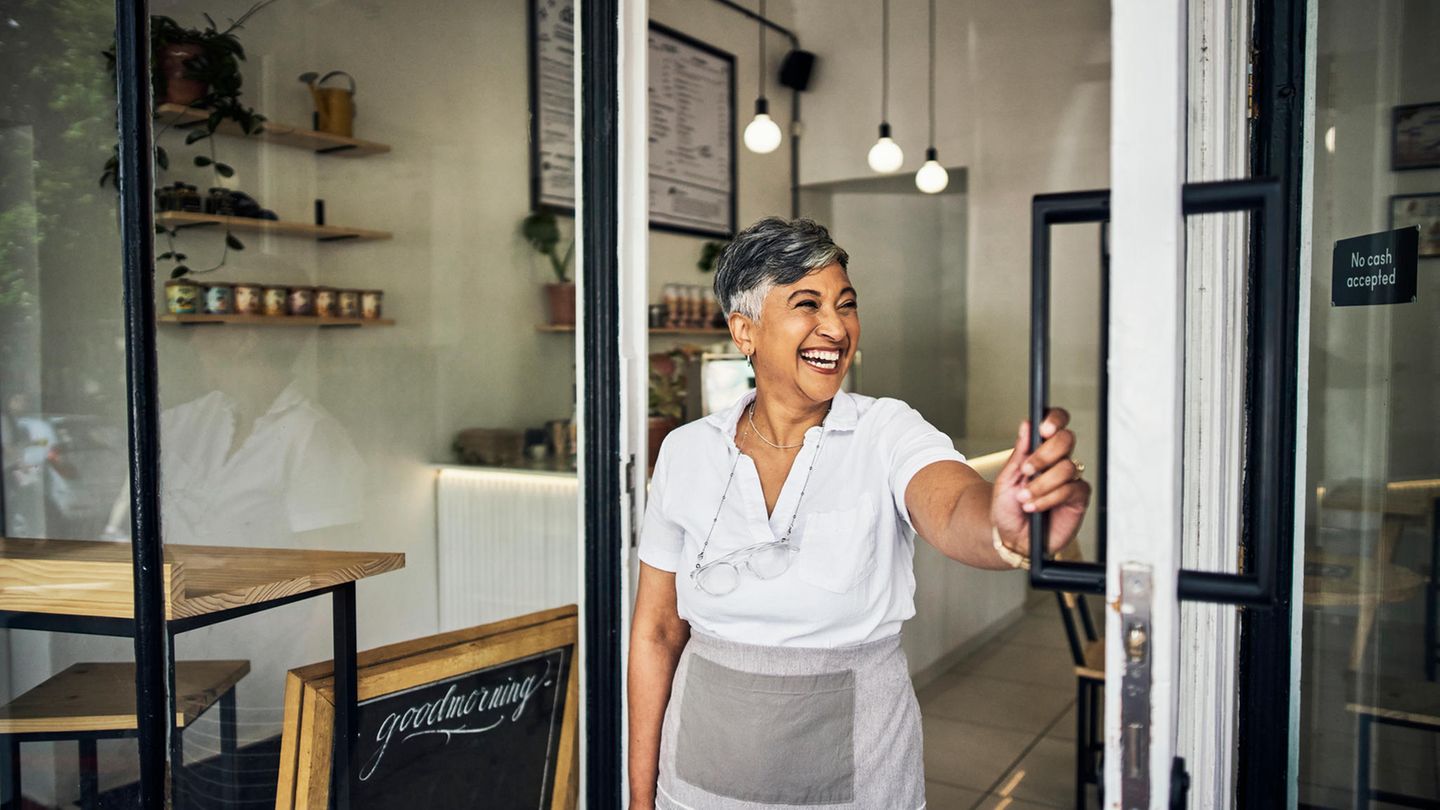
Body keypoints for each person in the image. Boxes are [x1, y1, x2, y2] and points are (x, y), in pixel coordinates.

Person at [628, 217, 1090, 810]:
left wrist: (1006, 529)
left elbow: (949, 505)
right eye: (807, 304)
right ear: (745, 332)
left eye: (846, 305)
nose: (836, 327)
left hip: (857, 779)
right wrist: (641, 797)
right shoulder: (687, 450)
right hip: (697, 778)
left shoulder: (886, 430)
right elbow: (657, 631)